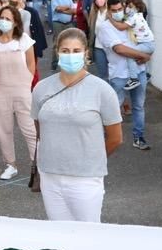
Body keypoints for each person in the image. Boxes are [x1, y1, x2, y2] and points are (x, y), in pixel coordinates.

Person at [33, 28, 123, 221]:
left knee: (88, 238)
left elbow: (115, 138)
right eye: (65, 51)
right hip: (50, 176)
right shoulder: (41, 89)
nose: (70, 55)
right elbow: (40, 129)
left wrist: (89, 157)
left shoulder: (102, 90)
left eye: (76, 51)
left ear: (86, 53)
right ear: (57, 52)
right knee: (59, 237)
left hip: (86, 179)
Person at [0, 5, 38, 180]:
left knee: (29, 128)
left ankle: (37, 164)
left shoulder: (23, 39)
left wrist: (27, 81)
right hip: (0, 90)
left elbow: (31, 63)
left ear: (15, 23)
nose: (3, 22)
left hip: (22, 89)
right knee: (3, 129)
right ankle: (10, 164)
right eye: (2, 18)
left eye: (8, 19)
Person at [99, 0, 153, 150]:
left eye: (119, 9)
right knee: (114, 107)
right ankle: (109, 137)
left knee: (138, 106)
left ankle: (139, 137)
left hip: (139, 71)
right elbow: (119, 49)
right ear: (108, 11)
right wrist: (143, 55)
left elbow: (145, 40)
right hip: (119, 74)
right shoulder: (105, 27)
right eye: (113, 10)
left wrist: (145, 54)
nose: (117, 12)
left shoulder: (130, 22)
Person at [118, 0, 156, 91]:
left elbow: (121, 27)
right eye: (127, 6)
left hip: (146, 44)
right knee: (137, 56)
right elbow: (125, 18)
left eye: (130, 6)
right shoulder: (139, 15)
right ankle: (146, 74)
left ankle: (134, 79)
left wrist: (111, 19)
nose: (127, 8)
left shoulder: (133, 17)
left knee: (130, 54)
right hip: (149, 44)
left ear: (137, 8)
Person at [49, 0, 75, 70]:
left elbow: (73, 11)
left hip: (68, 23)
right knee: (57, 42)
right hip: (57, 23)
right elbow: (57, 9)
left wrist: (63, 10)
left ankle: (68, 62)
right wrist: (67, 8)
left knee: (70, 42)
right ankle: (54, 63)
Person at [87, 0, 111, 79]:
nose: (98, 0)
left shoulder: (110, 12)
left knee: (114, 73)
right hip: (98, 47)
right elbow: (92, 32)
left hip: (111, 47)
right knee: (102, 74)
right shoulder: (94, 13)